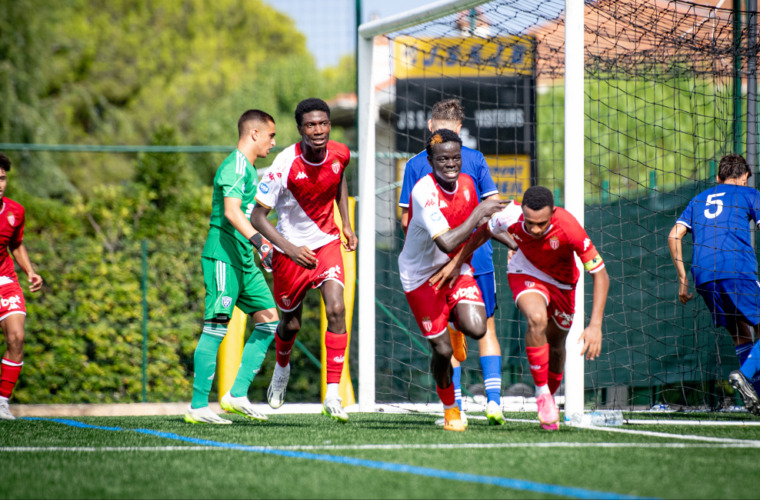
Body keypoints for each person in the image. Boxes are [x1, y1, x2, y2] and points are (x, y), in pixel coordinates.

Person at [441, 185, 608, 431]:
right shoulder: (510, 215)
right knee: (537, 319)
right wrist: (457, 262)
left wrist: (595, 326)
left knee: (557, 346)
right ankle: (542, 395)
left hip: (563, 284)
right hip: (525, 272)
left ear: (553, 213)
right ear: (523, 213)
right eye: (531, 223)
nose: (536, 229)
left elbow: (600, 274)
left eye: (542, 224)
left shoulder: (569, 226)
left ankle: (548, 397)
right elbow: (483, 232)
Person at [399, 98, 511, 426]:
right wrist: (479, 215)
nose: (451, 164)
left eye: (455, 158)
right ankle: (451, 408)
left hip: (461, 262)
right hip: (422, 276)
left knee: (478, 326)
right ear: (430, 160)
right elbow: (449, 235)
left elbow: (489, 218)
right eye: (443, 159)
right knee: (442, 352)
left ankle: (458, 326)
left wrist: (514, 237)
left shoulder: (468, 173)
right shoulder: (423, 188)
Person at [252, 98, 358, 422]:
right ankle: (281, 369)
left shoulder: (341, 153)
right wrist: (289, 249)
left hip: (326, 242)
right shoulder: (283, 164)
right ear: (300, 129)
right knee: (291, 323)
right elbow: (257, 217)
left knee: (337, 309)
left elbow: (338, 181)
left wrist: (346, 225)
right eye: (311, 125)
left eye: (323, 123)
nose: (318, 130)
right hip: (290, 250)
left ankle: (332, 394)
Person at [185, 110, 280, 425]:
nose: (274, 142)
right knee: (216, 327)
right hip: (223, 257)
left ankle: (236, 395)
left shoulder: (250, 170)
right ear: (254, 134)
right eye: (271, 135)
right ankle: (198, 407)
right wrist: (260, 243)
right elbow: (231, 212)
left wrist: (263, 246)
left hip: (243, 260)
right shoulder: (235, 167)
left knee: (268, 322)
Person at [668, 153, 760, 415]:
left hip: (703, 277)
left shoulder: (698, 199)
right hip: (737, 270)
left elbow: (674, 235)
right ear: (743, 178)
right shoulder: (749, 195)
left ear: (718, 178)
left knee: (741, 332)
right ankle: (744, 374)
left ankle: (756, 398)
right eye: (744, 181)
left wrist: (683, 279)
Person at [0, 153, 43, 420]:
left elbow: (15, 244)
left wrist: (30, 271)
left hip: (5, 281)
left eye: (2, 178)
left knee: (16, 337)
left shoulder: (15, 211)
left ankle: (2, 402)